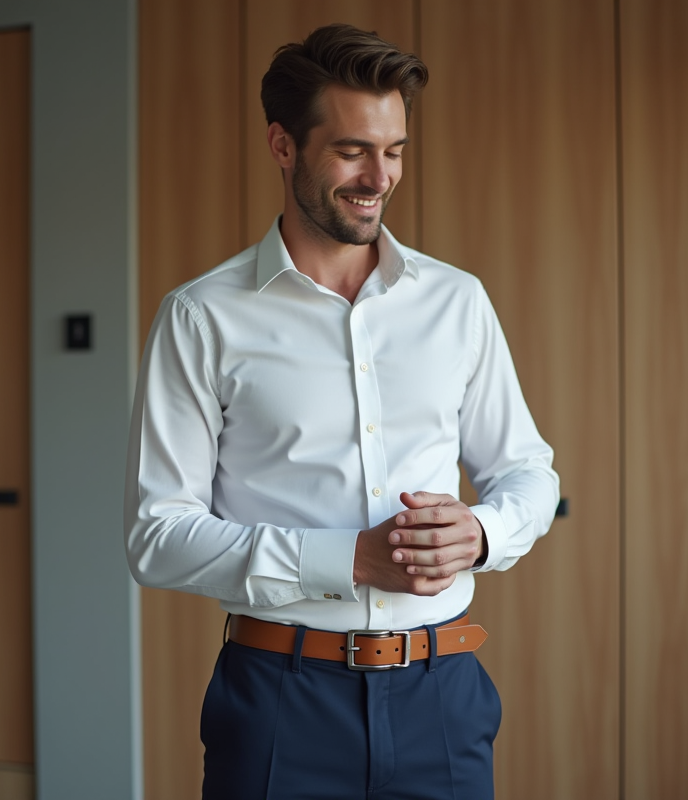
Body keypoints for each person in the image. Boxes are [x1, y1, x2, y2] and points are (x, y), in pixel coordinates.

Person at [124, 22, 559, 800]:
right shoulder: (201, 318)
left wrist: (483, 531)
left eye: (394, 151)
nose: (379, 176)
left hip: (443, 696)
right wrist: (346, 561)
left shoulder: (457, 302)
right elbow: (156, 537)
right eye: (353, 150)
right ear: (283, 145)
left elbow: (528, 471)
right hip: (279, 702)